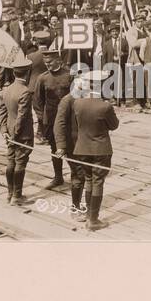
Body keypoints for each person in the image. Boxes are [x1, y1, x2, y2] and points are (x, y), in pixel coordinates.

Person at [72, 70, 120, 232]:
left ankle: (87, 215)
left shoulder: (77, 103)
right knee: (98, 182)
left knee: (88, 179)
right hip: (101, 149)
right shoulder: (105, 106)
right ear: (102, 86)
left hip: (82, 148)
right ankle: (93, 220)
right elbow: (114, 125)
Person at [0, 57, 35, 206]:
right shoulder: (25, 92)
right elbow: (22, 117)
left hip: (9, 133)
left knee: (10, 161)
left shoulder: (7, 90)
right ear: (28, 73)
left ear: (14, 72)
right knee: (20, 163)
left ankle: (10, 193)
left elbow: (1, 112)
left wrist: (4, 130)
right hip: (22, 135)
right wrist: (15, 134)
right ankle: (17, 196)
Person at [31, 51, 73, 189]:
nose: (47, 64)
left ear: (58, 60)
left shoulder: (69, 75)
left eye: (50, 62)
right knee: (55, 149)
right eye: (45, 62)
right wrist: (43, 119)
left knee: (72, 146)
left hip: (69, 118)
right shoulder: (42, 79)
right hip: (51, 120)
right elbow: (37, 102)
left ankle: (76, 175)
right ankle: (58, 177)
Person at [52, 71, 88, 219]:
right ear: (77, 83)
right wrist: (61, 146)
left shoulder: (87, 98)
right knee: (78, 175)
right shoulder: (67, 100)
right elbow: (59, 124)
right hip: (73, 146)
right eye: (84, 82)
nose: (87, 85)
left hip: (87, 144)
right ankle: (75, 208)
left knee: (84, 175)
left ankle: (82, 205)